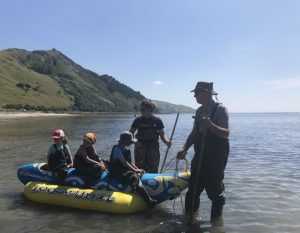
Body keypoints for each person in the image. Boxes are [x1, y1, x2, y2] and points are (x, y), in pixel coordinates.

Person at [177, 82, 230, 221]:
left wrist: (211, 125)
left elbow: (226, 132)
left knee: (215, 192)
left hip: (216, 155)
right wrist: (184, 148)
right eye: (194, 93)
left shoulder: (220, 109)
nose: (195, 96)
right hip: (200, 153)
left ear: (207, 93)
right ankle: (190, 219)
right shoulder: (199, 110)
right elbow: (194, 133)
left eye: (197, 93)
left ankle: (216, 224)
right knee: (193, 189)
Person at [109, 131, 157, 209]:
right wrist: (134, 170)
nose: (131, 143)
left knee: (140, 173)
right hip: (117, 171)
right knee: (134, 177)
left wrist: (137, 169)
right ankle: (149, 201)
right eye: (130, 141)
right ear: (124, 141)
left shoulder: (126, 149)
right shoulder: (117, 149)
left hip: (125, 169)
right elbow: (124, 162)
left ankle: (144, 193)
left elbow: (130, 162)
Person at [129, 100, 171, 173]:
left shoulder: (157, 120)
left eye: (143, 109)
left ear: (150, 109)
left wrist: (166, 141)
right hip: (140, 148)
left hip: (153, 148)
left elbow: (162, 134)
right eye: (140, 109)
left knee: (153, 169)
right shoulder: (138, 120)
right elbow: (130, 133)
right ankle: (139, 183)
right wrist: (135, 142)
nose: (141, 111)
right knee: (139, 169)